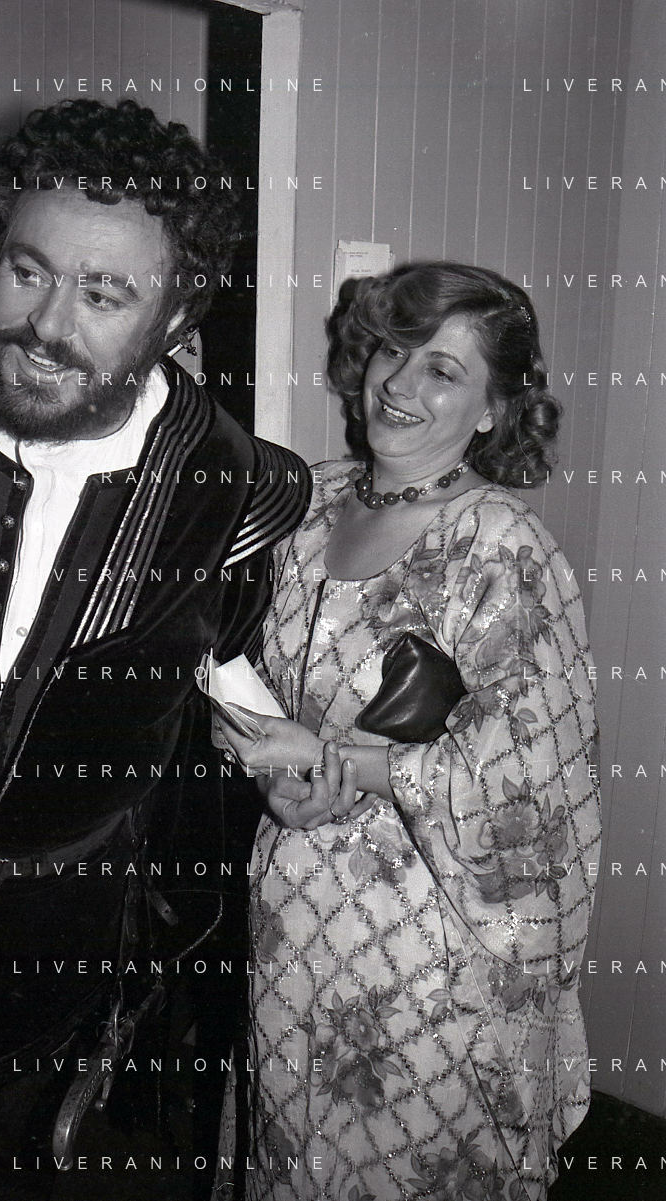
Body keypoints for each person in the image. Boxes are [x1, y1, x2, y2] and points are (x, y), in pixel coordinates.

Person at [0, 97, 310, 1200]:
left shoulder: (232, 484)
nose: (45, 324)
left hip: (59, 929)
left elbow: (220, 657)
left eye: (103, 294)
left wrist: (283, 754)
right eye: (26, 271)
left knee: (5, 1153)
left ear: (177, 312)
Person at [217, 263, 601, 1201]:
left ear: (494, 410)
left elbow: (532, 788)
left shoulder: (502, 549)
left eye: (443, 370)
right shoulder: (304, 503)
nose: (398, 383)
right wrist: (273, 774)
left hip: (430, 955)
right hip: (293, 922)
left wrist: (336, 760)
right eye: (395, 350)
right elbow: (249, 683)